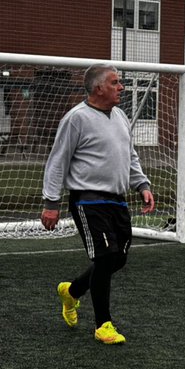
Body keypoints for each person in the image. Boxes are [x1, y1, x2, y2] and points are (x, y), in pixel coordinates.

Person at [41, 64, 155, 345]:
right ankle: (103, 325)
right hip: (88, 200)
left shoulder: (120, 116)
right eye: (115, 82)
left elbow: (129, 155)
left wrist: (142, 184)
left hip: (117, 200)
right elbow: (58, 161)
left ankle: (72, 291)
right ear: (98, 88)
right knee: (105, 258)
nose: (121, 87)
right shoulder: (76, 118)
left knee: (118, 258)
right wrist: (51, 202)